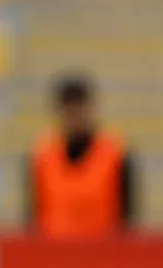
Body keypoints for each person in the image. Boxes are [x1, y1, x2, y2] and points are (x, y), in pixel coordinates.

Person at [23, 72, 136, 238]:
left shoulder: (116, 155)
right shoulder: (41, 156)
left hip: (102, 256)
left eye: (79, 107)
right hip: (54, 256)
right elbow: (32, 217)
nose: (74, 116)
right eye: (69, 109)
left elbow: (127, 219)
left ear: (90, 109)